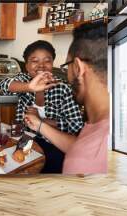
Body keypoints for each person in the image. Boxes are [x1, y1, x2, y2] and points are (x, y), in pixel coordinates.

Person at [24, 21, 109, 175]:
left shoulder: (81, 163)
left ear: (78, 67)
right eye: (35, 61)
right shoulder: (102, 128)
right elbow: (80, 145)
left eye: (67, 65)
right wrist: (39, 124)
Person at [0, 40, 84, 173]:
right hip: (26, 139)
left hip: (53, 144)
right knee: (15, 168)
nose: (41, 65)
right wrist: (29, 87)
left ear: (52, 64)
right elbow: (3, 85)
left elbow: (75, 125)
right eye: (34, 61)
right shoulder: (24, 79)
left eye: (47, 61)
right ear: (26, 65)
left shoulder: (62, 88)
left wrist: (40, 121)